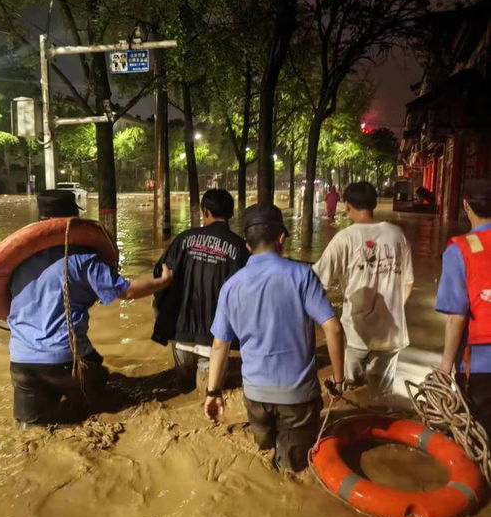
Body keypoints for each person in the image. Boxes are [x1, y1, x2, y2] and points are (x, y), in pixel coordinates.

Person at [8, 190, 169, 428]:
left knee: (31, 430)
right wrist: (163, 281)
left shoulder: (18, 261)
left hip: (20, 361)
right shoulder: (82, 260)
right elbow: (127, 291)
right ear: (74, 220)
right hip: (65, 361)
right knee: (101, 386)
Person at [205, 203, 344, 472]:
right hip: (298, 397)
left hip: (255, 396)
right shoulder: (302, 275)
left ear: (247, 245)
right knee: (294, 469)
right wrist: (338, 381)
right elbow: (334, 328)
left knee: (264, 451)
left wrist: (213, 392)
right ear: (282, 238)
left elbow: (220, 344)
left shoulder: (231, 286)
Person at [313, 182, 413, 398]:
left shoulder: (345, 238)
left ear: (347, 206)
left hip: (357, 332)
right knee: (381, 394)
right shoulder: (397, 235)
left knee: (351, 392)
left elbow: (316, 281)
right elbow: (408, 282)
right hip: (391, 333)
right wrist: (392, 310)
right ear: (374, 204)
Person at [151, 189, 250, 391]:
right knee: (209, 392)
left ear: (205, 212)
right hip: (216, 339)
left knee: (182, 389)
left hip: (181, 333)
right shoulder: (240, 248)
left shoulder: (184, 239)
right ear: (231, 213)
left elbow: (160, 276)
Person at [436, 179, 491, 433]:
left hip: (482, 363)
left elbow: (457, 317)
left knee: (480, 437)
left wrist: (445, 369)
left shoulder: (460, 250)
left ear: (466, 206)